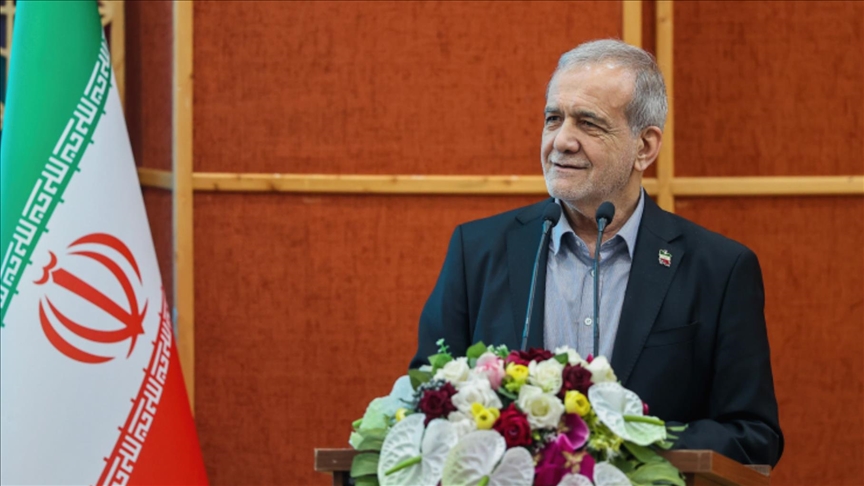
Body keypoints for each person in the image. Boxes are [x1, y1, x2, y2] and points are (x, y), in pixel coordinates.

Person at [410, 39, 783, 467]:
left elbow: (752, 435)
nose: (561, 141)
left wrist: (622, 443)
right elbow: (428, 401)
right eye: (553, 119)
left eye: (589, 123)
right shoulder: (476, 251)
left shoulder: (719, 270)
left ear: (644, 147)